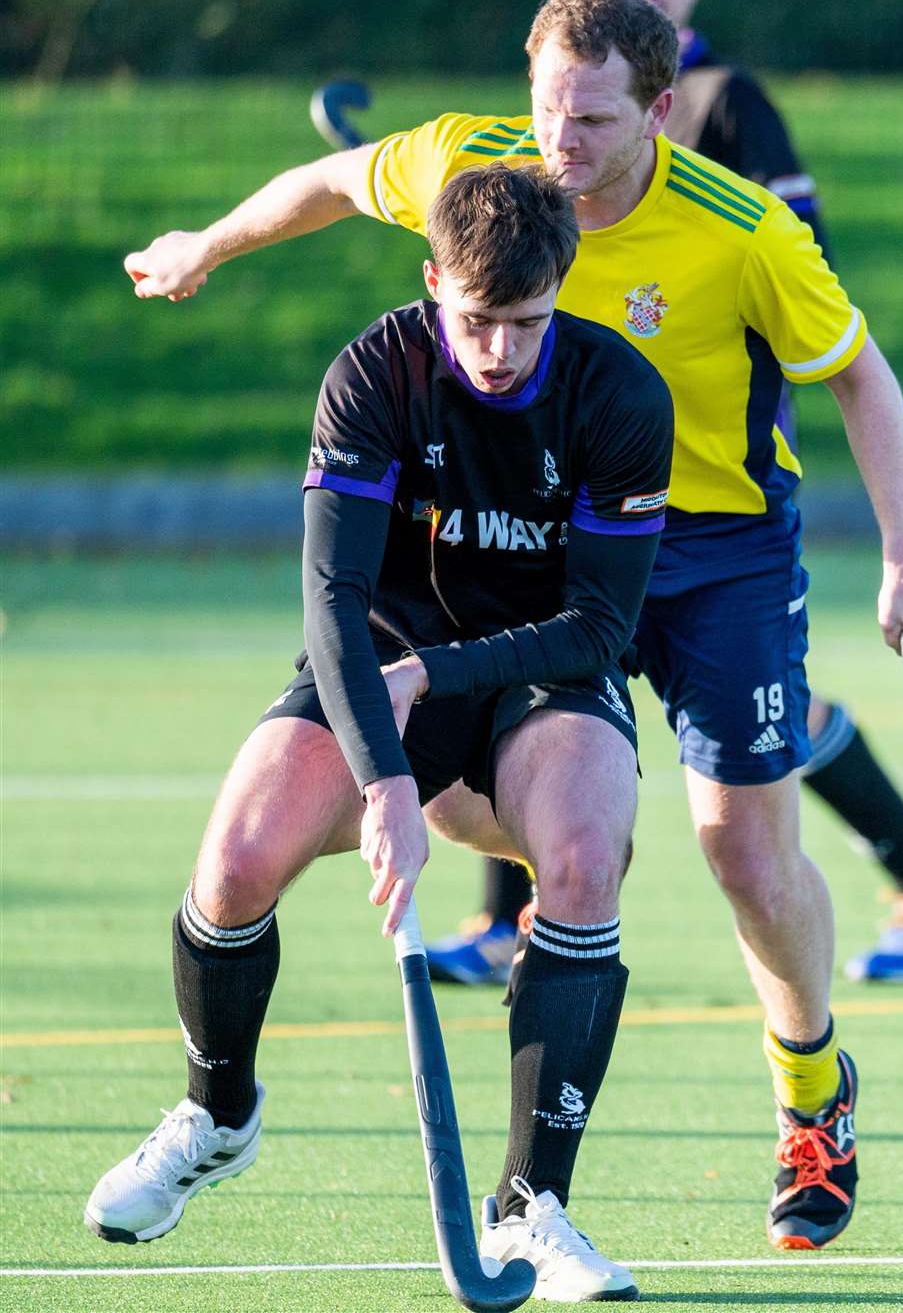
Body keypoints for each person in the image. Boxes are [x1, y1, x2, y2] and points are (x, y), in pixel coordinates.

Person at [116, 0, 903, 1251]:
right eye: (547, 107)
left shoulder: (743, 233)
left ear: (662, 112)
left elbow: (858, 373)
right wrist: (207, 247)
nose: (557, 141)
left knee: (742, 848)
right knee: (498, 811)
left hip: (713, 544)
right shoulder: (477, 165)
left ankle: (810, 1092)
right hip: (542, 545)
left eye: (593, 120)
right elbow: (337, 180)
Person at [86, 164, 675, 1304]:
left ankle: (532, 1205)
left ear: (565, 287)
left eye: (526, 322)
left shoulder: (618, 393)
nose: (500, 351)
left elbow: (599, 625)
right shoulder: (374, 373)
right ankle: (217, 1112)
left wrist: (437, 680)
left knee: (588, 853)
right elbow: (331, 598)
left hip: (538, 674)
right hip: (374, 652)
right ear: (428, 283)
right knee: (237, 857)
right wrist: (389, 781)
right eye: (476, 320)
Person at [427, 0, 903, 990]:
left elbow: (816, 297)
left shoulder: (729, 114)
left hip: (715, 501)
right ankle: (514, 913)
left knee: (752, 805)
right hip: (573, 515)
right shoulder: (522, 143)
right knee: (509, 742)